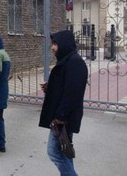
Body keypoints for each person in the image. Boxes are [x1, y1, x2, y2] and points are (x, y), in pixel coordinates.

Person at [39, 30, 87, 176]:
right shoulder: (67, 61)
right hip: (62, 117)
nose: (52, 48)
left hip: (63, 118)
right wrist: (51, 87)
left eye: (55, 44)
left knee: (54, 152)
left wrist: (60, 117)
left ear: (64, 44)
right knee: (64, 151)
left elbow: (72, 94)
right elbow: (65, 87)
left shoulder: (75, 63)